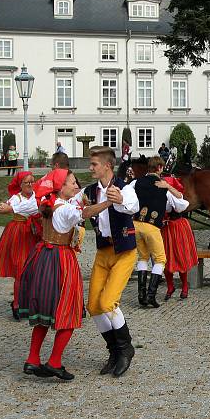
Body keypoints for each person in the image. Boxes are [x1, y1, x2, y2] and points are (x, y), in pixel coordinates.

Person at [17, 169, 84, 381]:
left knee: (44, 309)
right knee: (69, 309)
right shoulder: (64, 208)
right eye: (73, 183)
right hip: (62, 259)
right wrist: (107, 204)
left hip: (42, 257)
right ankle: (55, 362)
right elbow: (83, 213)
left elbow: (22, 207)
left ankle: (33, 359)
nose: (76, 186)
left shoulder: (46, 202)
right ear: (61, 187)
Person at [81, 146, 140, 377]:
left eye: (94, 164)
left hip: (124, 251)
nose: (90, 168)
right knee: (93, 306)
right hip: (103, 251)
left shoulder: (125, 188)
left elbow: (132, 206)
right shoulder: (90, 191)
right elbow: (83, 211)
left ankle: (126, 348)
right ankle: (114, 351)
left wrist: (120, 199)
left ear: (107, 165)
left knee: (107, 302)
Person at [131, 156, 188, 308]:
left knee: (142, 258)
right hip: (151, 226)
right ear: (160, 168)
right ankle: (151, 295)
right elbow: (181, 204)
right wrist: (168, 187)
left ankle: (141, 295)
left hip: (136, 223)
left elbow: (127, 198)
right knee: (160, 260)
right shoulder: (163, 186)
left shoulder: (136, 182)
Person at [0, 171, 40, 320]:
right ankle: (17, 304)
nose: (30, 185)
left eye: (32, 182)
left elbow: (35, 207)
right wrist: (6, 207)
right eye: (26, 182)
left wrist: (11, 209)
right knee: (21, 269)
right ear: (20, 185)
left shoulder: (37, 196)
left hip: (34, 232)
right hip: (19, 233)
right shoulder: (16, 198)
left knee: (35, 269)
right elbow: (4, 208)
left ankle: (32, 303)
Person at [160, 176, 196, 300]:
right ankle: (170, 286)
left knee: (180, 256)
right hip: (165, 229)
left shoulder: (174, 196)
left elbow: (181, 205)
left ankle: (184, 286)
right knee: (165, 258)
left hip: (177, 228)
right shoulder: (158, 196)